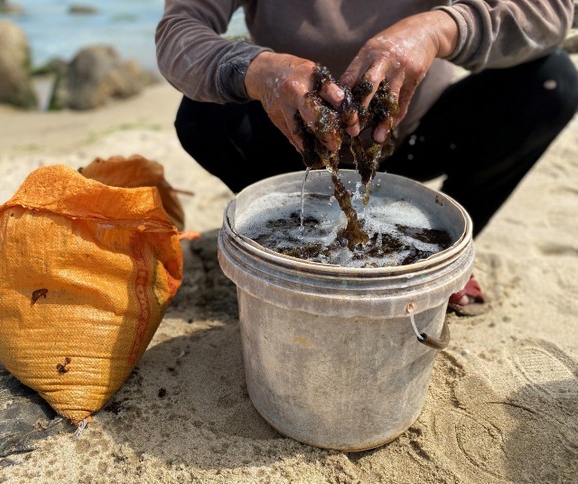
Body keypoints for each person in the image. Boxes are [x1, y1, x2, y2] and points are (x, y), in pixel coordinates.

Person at [156, 0, 578, 310]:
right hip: (297, 145)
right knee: (200, 114)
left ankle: (444, 265)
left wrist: (440, 28)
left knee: (552, 82)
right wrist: (257, 67)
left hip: (410, 137)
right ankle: (288, 249)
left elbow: (555, 10)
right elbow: (179, 31)